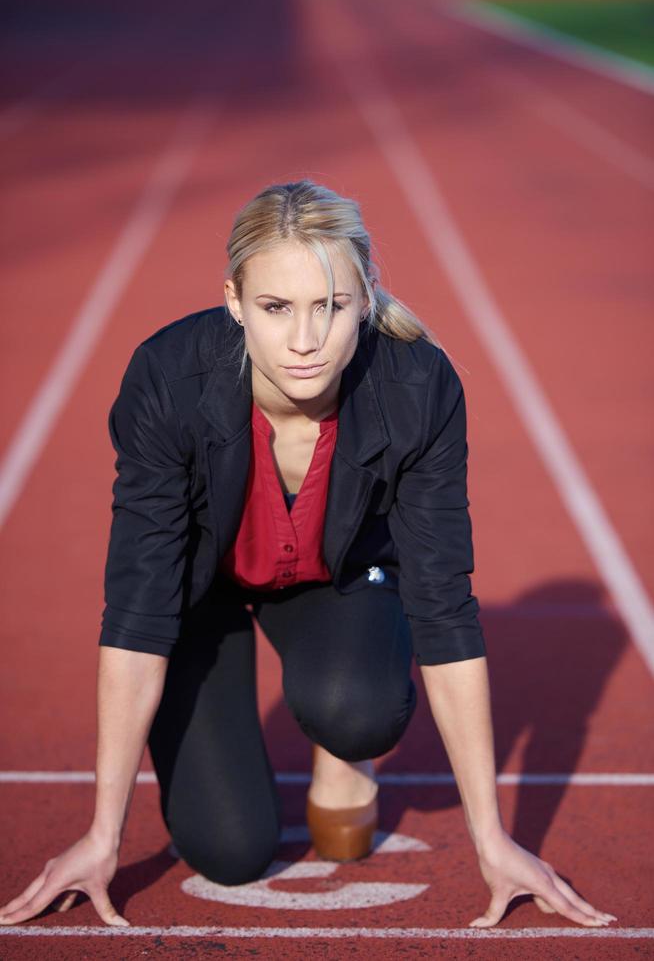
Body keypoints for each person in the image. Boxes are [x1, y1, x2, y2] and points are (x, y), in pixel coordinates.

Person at [0, 180, 616, 930]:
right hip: (205, 595)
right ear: (233, 301)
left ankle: (342, 748)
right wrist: (103, 835)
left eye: (329, 306)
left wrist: (491, 838)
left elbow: (444, 604)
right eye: (275, 308)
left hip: (337, 574)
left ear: (364, 299)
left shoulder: (418, 386)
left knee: (357, 709)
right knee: (228, 852)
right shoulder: (168, 381)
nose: (304, 340)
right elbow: (138, 609)